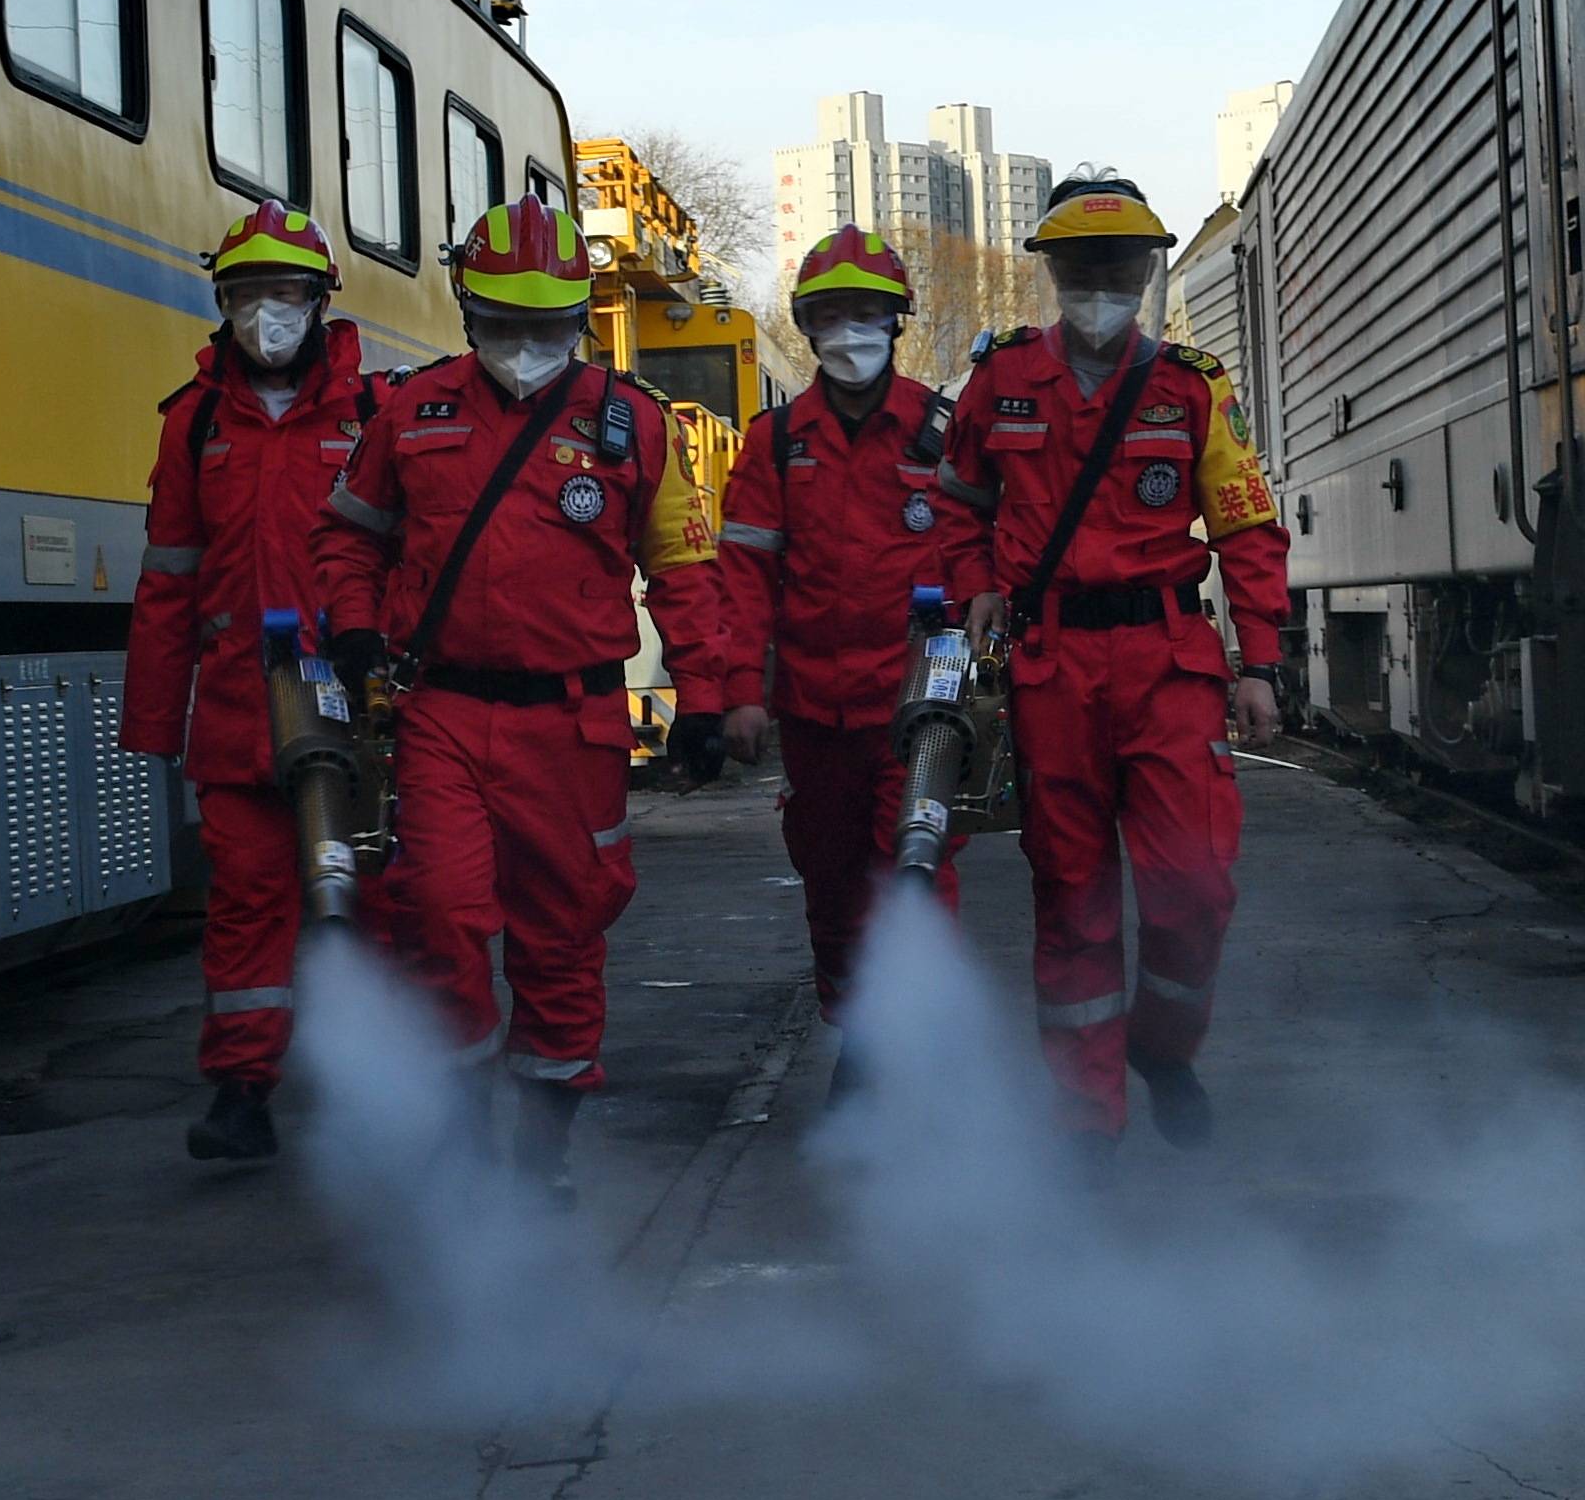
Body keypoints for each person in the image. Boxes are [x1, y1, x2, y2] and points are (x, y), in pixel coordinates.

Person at [315, 193, 728, 1201]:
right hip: (443, 711)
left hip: (573, 725)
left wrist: (710, 695)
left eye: (548, 325)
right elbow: (348, 537)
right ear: (470, 312)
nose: (528, 344)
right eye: (508, 324)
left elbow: (683, 566)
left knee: (563, 930)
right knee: (441, 914)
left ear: (577, 315)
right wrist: (355, 620)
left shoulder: (632, 423)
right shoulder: (411, 412)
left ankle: (542, 1147)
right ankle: (459, 1129)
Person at [935, 173, 1289, 1153]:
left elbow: (1249, 525)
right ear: (1053, 270)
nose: (1101, 279)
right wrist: (976, 590)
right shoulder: (1000, 380)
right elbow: (956, 506)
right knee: (1074, 899)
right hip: (1051, 671)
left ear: (1144, 270)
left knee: (1198, 882)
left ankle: (1164, 1046)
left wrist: (1260, 660)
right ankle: (1086, 1119)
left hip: (1166, 666)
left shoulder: (1191, 382)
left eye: (1119, 262)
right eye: (1083, 263)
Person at [121, 202, 381, 1165]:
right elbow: (168, 580)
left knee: (379, 898)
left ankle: (385, 1080)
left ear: (319, 303)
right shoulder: (193, 425)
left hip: (355, 700)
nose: (267, 313)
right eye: (248, 295)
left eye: (285, 294)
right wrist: (152, 722)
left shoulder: (373, 412)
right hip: (237, 708)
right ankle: (242, 1088)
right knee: (249, 900)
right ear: (222, 303)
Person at [708, 227, 969, 1081]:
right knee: (829, 887)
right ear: (809, 327)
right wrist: (740, 690)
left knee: (917, 872)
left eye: (867, 312)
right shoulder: (776, 441)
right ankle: (857, 1024)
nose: (851, 329)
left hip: (918, 708)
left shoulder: (941, 431)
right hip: (815, 713)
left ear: (896, 322)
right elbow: (743, 577)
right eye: (833, 314)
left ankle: (913, 1044)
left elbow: (979, 557)